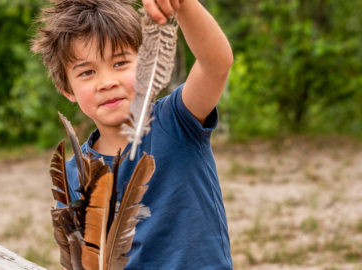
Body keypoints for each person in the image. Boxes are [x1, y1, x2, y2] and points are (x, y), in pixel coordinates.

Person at [32, 0, 233, 269]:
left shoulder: (178, 120)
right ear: (67, 90)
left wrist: (183, 6)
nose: (107, 82)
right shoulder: (74, 176)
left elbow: (216, 64)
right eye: (87, 72)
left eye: (120, 63)